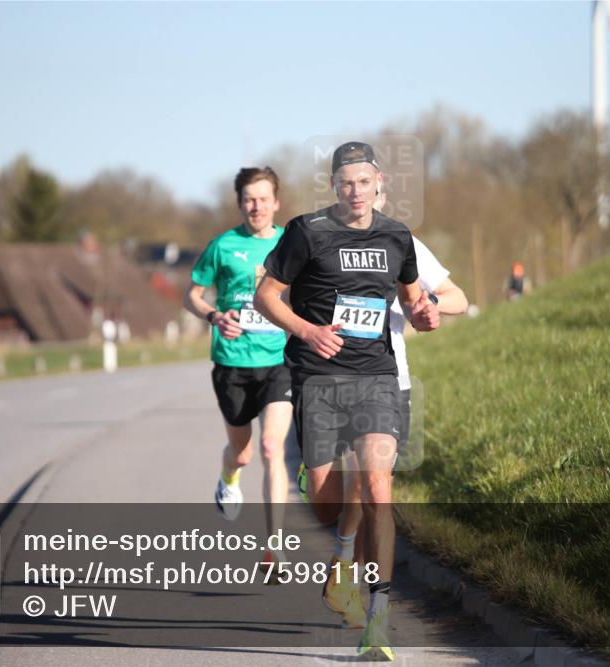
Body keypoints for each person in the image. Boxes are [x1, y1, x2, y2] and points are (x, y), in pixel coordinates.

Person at [255, 141, 440, 660]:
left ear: (380, 182)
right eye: (346, 183)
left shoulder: (396, 236)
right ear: (334, 185)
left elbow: (413, 303)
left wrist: (426, 316)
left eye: (364, 181)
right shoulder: (307, 231)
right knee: (327, 502)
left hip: (376, 377)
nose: (356, 191)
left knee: (379, 487)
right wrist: (307, 331)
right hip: (317, 378)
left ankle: (377, 620)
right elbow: (265, 296)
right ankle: (327, 522)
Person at [183, 166, 292, 566]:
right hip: (232, 363)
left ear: (276, 203)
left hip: (279, 360)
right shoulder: (223, 246)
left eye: (263, 199)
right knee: (243, 454)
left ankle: (275, 546)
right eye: (249, 199)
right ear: (240, 204)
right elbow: (192, 295)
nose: (256, 206)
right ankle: (229, 475)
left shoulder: (291, 243)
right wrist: (214, 316)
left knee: (271, 447)